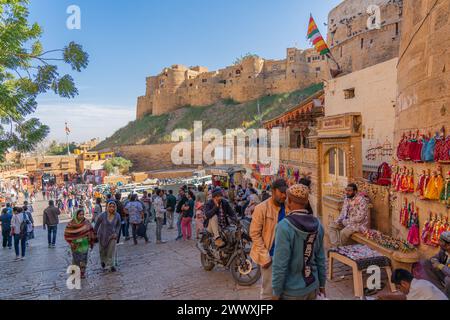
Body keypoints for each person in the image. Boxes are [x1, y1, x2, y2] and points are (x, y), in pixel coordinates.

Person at [271, 184, 326, 300]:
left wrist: (276, 292)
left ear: (289, 201)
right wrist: (322, 284)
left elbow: (280, 264)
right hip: (312, 286)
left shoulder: (284, 227)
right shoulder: (318, 225)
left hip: (292, 291)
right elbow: (321, 258)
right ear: (306, 202)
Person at [250, 179, 288, 300]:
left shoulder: (288, 206)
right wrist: (264, 255)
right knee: (268, 292)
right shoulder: (261, 208)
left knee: (283, 291)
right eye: (281, 192)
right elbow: (254, 233)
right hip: (270, 257)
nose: (284, 195)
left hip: (286, 256)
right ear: (273, 191)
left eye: (285, 192)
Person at [64, 209, 96, 279]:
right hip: (75, 245)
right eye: (80, 214)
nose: (81, 216)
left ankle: (82, 273)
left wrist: (91, 239)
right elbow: (67, 233)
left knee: (84, 259)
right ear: (76, 215)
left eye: (82, 214)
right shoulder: (71, 224)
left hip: (84, 244)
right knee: (76, 259)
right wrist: (71, 242)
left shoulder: (86, 222)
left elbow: (91, 231)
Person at [378, 269, 448, 300]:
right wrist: (386, 296)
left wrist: (385, 297)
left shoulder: (416, 289)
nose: (399, 290)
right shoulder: (419, 283)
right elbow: (406, 297)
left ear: (404, 284)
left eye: (399, 288)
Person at [94, 201, 121, 272]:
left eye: (113, 206)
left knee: (111, 251)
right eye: (110, 206)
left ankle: (110, 265)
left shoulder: (117, 215)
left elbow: (118, 225)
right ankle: (103, 261)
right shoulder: (102, 215)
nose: (112, 208)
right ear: (107, 207)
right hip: (102, 236)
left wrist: (116, 233)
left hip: (112, 236)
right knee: (102, 251)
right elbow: (96, 225)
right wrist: (94, 234)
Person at [422, 231, 450, 298]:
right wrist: (434, 260)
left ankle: (446, 296)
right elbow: (436, 257)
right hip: (445, 273)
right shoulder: (444, 250)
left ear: (448, 245)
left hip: (448, 276)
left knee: (448, 279)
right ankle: (441, 290)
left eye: (441, 241)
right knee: (427, 263)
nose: (439, 243)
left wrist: (439, 265)